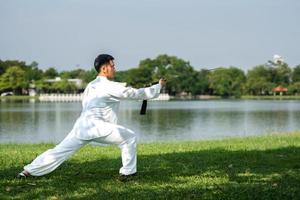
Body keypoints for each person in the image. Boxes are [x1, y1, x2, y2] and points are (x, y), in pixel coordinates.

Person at [17, 54, 166, 181]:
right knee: (129, 137)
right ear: (104, 68)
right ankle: (128, 173)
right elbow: (134, 94)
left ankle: (26, 172)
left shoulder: (91, 85)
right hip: (97, 127)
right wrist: (157, 87)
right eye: (112, 66)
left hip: (82, 126)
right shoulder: (108, 85)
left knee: (59, 151)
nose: (115, 68)